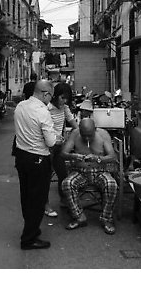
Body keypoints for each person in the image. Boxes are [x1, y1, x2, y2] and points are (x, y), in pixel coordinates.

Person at [13, 80, 57, 250]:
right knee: (38, 200)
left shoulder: (20, 106)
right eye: (50, 96)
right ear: (45, 94)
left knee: (26, 196)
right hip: (38, 159)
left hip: (21, 157)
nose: (49, 100)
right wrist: (54, 136)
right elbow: (51, 141)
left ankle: (30, 230)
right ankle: (29, 239)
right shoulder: (42, 112)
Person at [60, 118, 118, 234]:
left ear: (95, 130)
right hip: (80, 171)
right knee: (67, 184)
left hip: (100, 171)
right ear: (79, 130)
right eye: (84, 135)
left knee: (111, 184)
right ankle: (79, 216)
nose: (87, 138)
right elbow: (63, 153)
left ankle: (106, 218)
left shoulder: (103, 135)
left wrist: (98, 158)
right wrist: (74, 156)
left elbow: (112, 156)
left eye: (90, 135)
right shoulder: (75, 134)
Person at [45, 82, 78, 217]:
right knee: (46, 177)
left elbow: (72, 121)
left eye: (66, 99)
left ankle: (64, 199)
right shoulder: (48, 108)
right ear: (55, 95)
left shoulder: (64, 107)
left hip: (59, 147)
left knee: (63, 174)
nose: (64, 101)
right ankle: (45, 205)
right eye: (62, 97)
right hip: (48, 147)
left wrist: (85, 131)